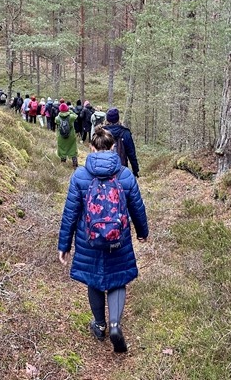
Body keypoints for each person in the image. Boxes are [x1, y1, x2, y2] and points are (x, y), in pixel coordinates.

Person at [57, 126, 149, 353]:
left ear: (91, 147)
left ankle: (99, 324)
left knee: (94, 279)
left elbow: (70, 213)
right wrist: (142, 231)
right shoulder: (124, 174)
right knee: (118, 279)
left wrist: (64, 245)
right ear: (113, 147)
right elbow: (137, 207)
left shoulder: (80, 175)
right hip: (119, 239)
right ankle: (116, 325)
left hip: (89, 240)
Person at [104, 108, 140, 178]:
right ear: (118, 119)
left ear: (107, 119)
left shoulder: (102, 132)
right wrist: (135, 170)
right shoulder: (125, 133)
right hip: (121, 170)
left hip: (103, 169)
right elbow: (131, 154)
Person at [55, 102, 78, 168]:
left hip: (61, 136)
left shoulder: (57, 118)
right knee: (73, 148)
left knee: (62, 148)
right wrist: (70, 111)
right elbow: (76, 116)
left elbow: (56, 122)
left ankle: (63, 163)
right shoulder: (71, 117)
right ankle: (75, 164)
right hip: (71, 136)